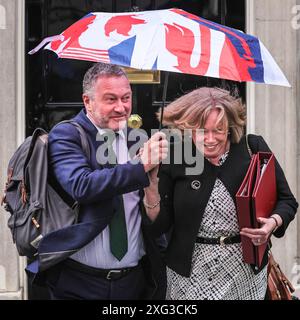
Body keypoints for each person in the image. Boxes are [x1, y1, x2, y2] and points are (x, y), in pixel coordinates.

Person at [144, 87, 298, 300]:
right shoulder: (176, 156)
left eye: (218, 129)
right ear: (188, 128)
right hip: (190, 274)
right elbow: (160, 225)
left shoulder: (251, 148)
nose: (210, 139)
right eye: (201, 130)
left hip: (244, 272)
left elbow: (287, 201)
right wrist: (150, 183)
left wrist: (272, 223)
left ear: (230, 127)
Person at [45, 62, 168, 300]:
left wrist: (152, 188)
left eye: (126, 97)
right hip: (78, 283)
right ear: (87, 101)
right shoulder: (66, 135)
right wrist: (141, 166)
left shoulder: (138, 140)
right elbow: (82, 185)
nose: (121, 107)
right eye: (111, 99)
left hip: (134, 282)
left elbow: (150, 213)